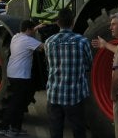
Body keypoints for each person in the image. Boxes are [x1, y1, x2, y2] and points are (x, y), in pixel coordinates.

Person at [45, 8, 93, 138]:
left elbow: (49, 66)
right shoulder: (82, 41)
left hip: (54, 94)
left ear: (58, 23)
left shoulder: (49, 42)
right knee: (78, 131)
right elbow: (89, 64)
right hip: (75, 96)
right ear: (72, 22)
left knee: (55, 132)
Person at [0, 20, 44, 137]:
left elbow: (28, 32)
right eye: (32, 30)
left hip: (13, 74)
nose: (33, 32)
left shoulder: (16, 37)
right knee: (16, 103)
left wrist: (37, 27)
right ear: (28, 30)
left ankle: (16, 127)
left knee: (20, 102)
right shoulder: (28, 41)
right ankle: (3, 127)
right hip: (21, 76)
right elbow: (43, 47)